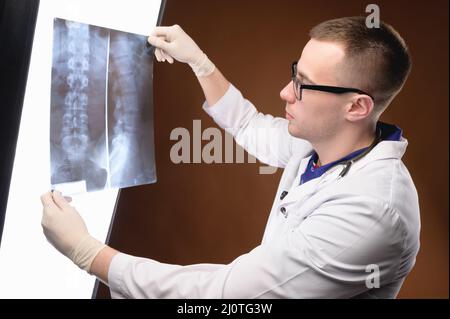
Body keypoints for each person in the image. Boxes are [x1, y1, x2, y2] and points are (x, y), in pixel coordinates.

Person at [40, 16, 420, 298]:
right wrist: (200, 62)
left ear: (357, 107)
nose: (286, 92)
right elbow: (251, 125)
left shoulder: (372, 211)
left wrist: (87, 254)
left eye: (303, 84)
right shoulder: (329, 144)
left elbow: (226, 295)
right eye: (294, 73)